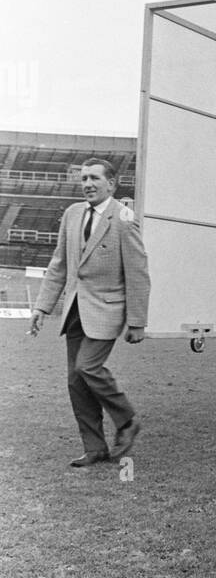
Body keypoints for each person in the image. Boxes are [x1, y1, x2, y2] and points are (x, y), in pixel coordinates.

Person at [29, 159, 150, 467]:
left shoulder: (124, 219)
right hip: (74, 310)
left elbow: (137, 273)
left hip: (107, 309)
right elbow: (59, 264)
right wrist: (42, 306)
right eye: (84, 178)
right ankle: (94, 447)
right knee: (76, 381)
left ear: (112, 183)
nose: (87, 183)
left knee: (87, 367)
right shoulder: (71, 214)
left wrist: (137, 321)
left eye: (95, 178)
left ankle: (127, 420)